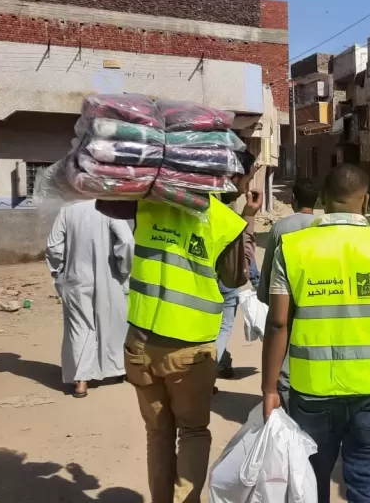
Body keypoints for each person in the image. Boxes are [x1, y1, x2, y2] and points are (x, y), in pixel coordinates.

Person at [261, 164, 370, 503]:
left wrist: (268, 388)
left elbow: (279, 322)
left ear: (323, 200)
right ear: (365, 202)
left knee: (310, 481)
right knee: (367, 483)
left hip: (311, 390)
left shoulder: (292, 249)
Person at [97, 173, 262, 503]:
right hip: (190, 349)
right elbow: (236, 276)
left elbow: (105, 200)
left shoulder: (148, 203)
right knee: (193, 431)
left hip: (141, 343)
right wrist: (248, 219)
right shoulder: (222, 220)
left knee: (157, 433)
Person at [46, 200, 135, 398]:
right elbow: (127, 241)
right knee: (112, 324)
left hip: (75, 279)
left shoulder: (67, 210)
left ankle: (81, 381)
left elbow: (53, 247)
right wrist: (124, 270)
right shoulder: (109, 207)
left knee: (80, 327)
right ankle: (116, 370)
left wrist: (58, 271)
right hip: (109, 278)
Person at [257, 178, 321, 405]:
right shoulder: (323, 225)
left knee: (283, 353)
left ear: (293, 199)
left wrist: (264, 294)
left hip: (284, 298)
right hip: (315, 298)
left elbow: (269, 269)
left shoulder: (281, 228)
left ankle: (281, 398)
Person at [215, 163, 262, 381]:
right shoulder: (225, 215)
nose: (246, 189)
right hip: (224, 284)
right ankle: (207, 376)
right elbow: (243, 255)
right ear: (234, 179)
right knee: (223, 329)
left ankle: (219, 365)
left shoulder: (206, 208)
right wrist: (248, 217)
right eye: (246, 181)